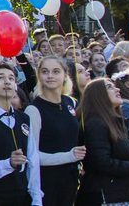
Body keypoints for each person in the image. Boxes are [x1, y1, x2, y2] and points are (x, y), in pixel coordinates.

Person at [24, 56, 85, 206]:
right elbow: (32, 156)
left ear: (65, 75)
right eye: (45, 71)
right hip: (48, 183)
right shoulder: (34, 109)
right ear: (39, 75)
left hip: (70, 180)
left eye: (56, 71)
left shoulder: (70, 102)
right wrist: (68, 156)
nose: (50, 76)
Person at [0, 63, 42, 205]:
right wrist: (8, 163)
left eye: (11, 78)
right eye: (1, 78)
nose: (7, 82)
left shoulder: (24, 118)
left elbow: (32, 159)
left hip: (23, 196)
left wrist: (36, 197)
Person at [75, 78, 129, 206]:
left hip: (120, 194)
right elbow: (101, 162)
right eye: (110, 87)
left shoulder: (115, 122)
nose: (117, 89)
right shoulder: (95, 123)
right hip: (103, 196)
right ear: (97, 95)